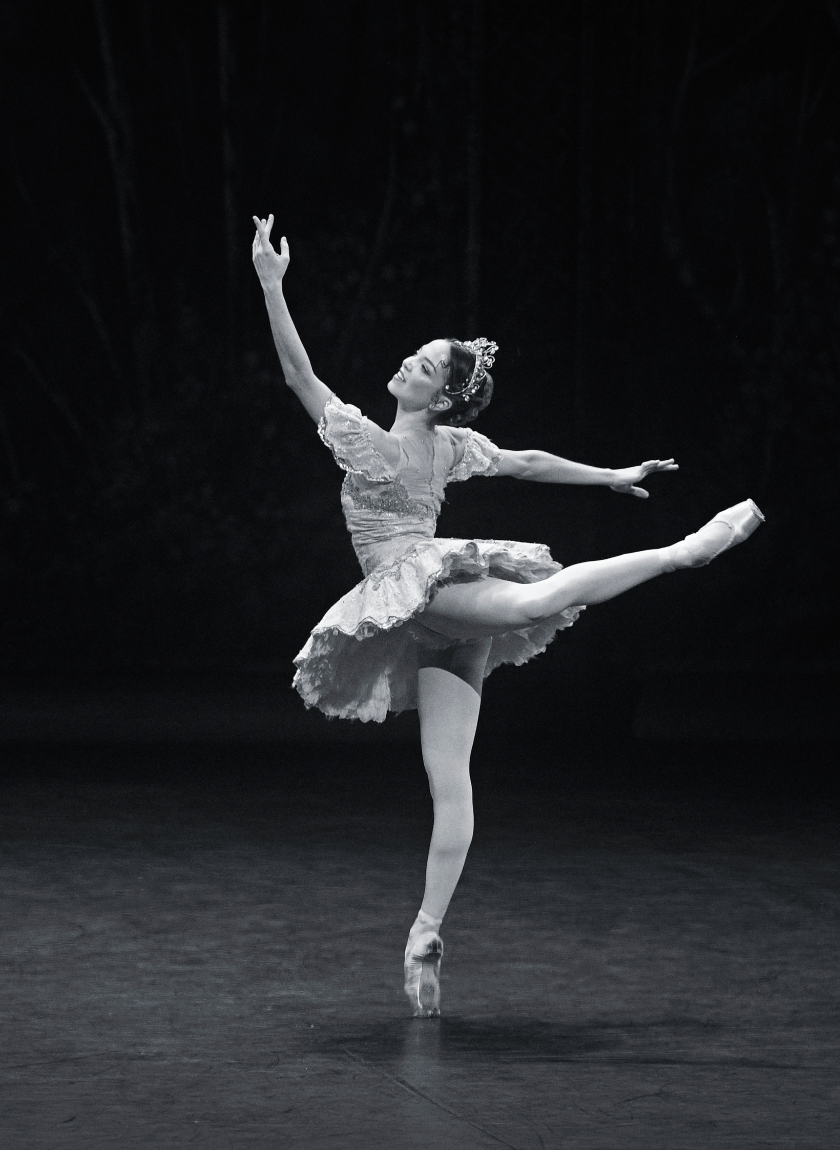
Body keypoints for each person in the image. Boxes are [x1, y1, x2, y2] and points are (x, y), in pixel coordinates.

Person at [251, 214, 763, 1018]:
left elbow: (297, 373)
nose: (404, 364)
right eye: (412, 356)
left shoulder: (373, 442)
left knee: (532, 601)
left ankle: (680, 554)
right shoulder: (421, 446)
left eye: (420, 366)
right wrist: (609, 475)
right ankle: (424, 933)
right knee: (447, 781)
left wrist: (271, 284)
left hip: (423, 588)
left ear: (442, 395)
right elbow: (524, 461)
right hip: (426, 614)